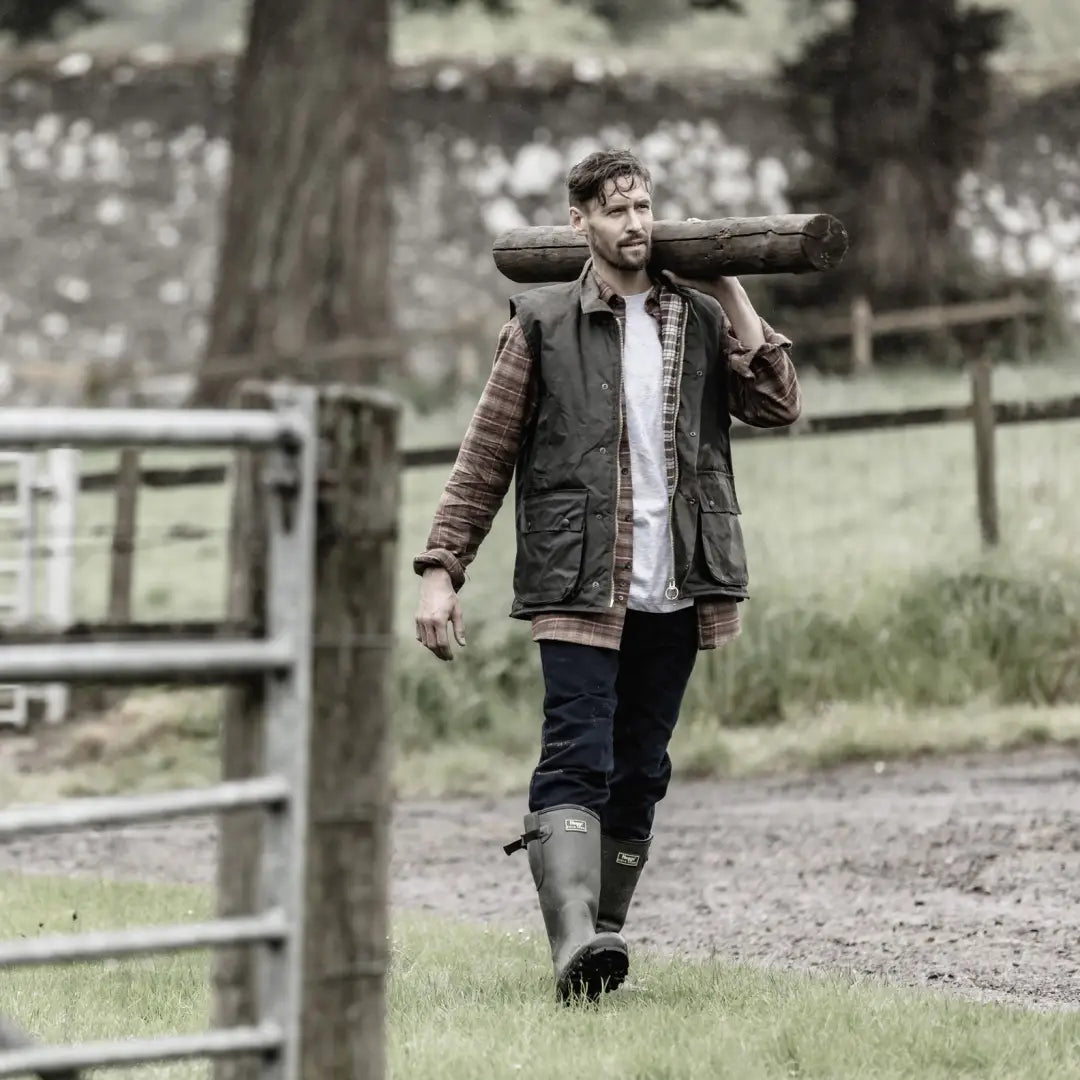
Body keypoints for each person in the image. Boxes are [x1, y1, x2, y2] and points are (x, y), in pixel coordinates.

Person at [413, 148, 801, 1002]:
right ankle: (573, 943)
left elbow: (776, 401)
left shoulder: (695, 317)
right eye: (617, 210)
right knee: (575, 760)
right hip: (578, 582)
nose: (636, 223)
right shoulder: (543, 324)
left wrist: (730, 280)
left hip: (679, 582)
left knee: (641, 768)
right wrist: (442, 569)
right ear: (581, 223)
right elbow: (485, 455)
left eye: (645, 207)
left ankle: (602, 944)